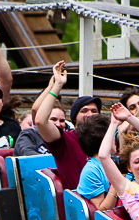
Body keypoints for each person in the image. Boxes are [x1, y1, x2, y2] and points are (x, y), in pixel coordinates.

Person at [33, 61, 102, 190]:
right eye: (84, 111)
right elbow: (40, 121)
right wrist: (57, 85)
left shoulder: (106, 139)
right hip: (81, 205)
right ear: (74, 119)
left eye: (94, 111)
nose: (90, 114)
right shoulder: (65, 140)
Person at [76, 114, 118, 211]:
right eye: (112, 135)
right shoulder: (91, 171)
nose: (115, 140)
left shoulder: (115, 160)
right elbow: (102, 211)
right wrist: (118, 179)